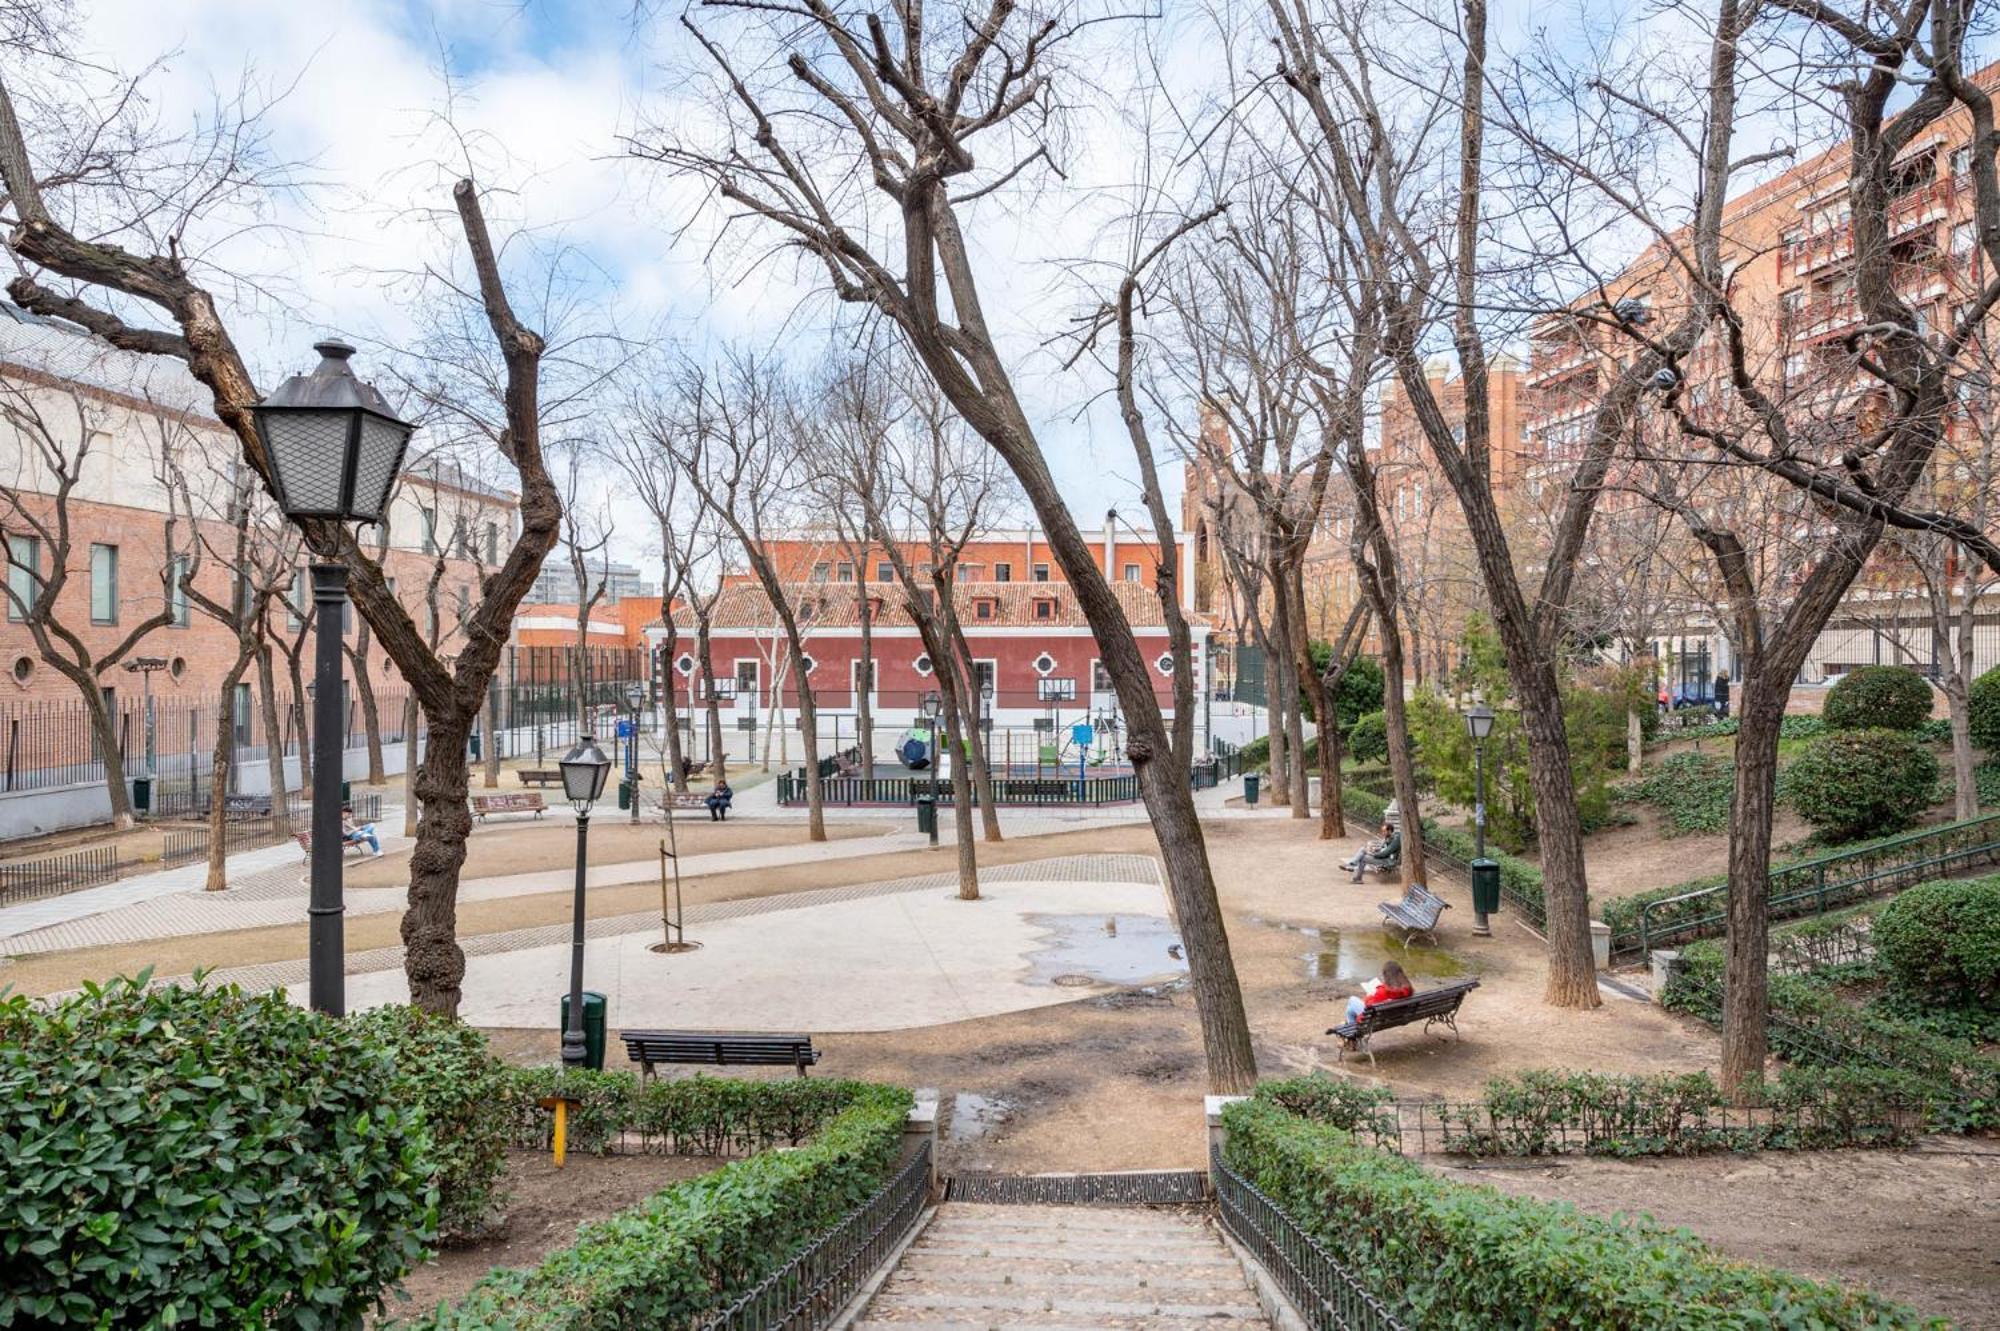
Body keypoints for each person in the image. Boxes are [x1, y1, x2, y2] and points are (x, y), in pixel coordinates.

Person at [1344, 960, 1415, 1026]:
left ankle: (1353, 1033)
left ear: (1386, 975)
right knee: (1349, 1010)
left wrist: (1369, 996)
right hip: (1397, 1016)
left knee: (1352, 999)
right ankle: (1350, 1027)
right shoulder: (1408, 988)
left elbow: (1368, 1006)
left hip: (1376, 1018)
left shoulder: (1384, 991)